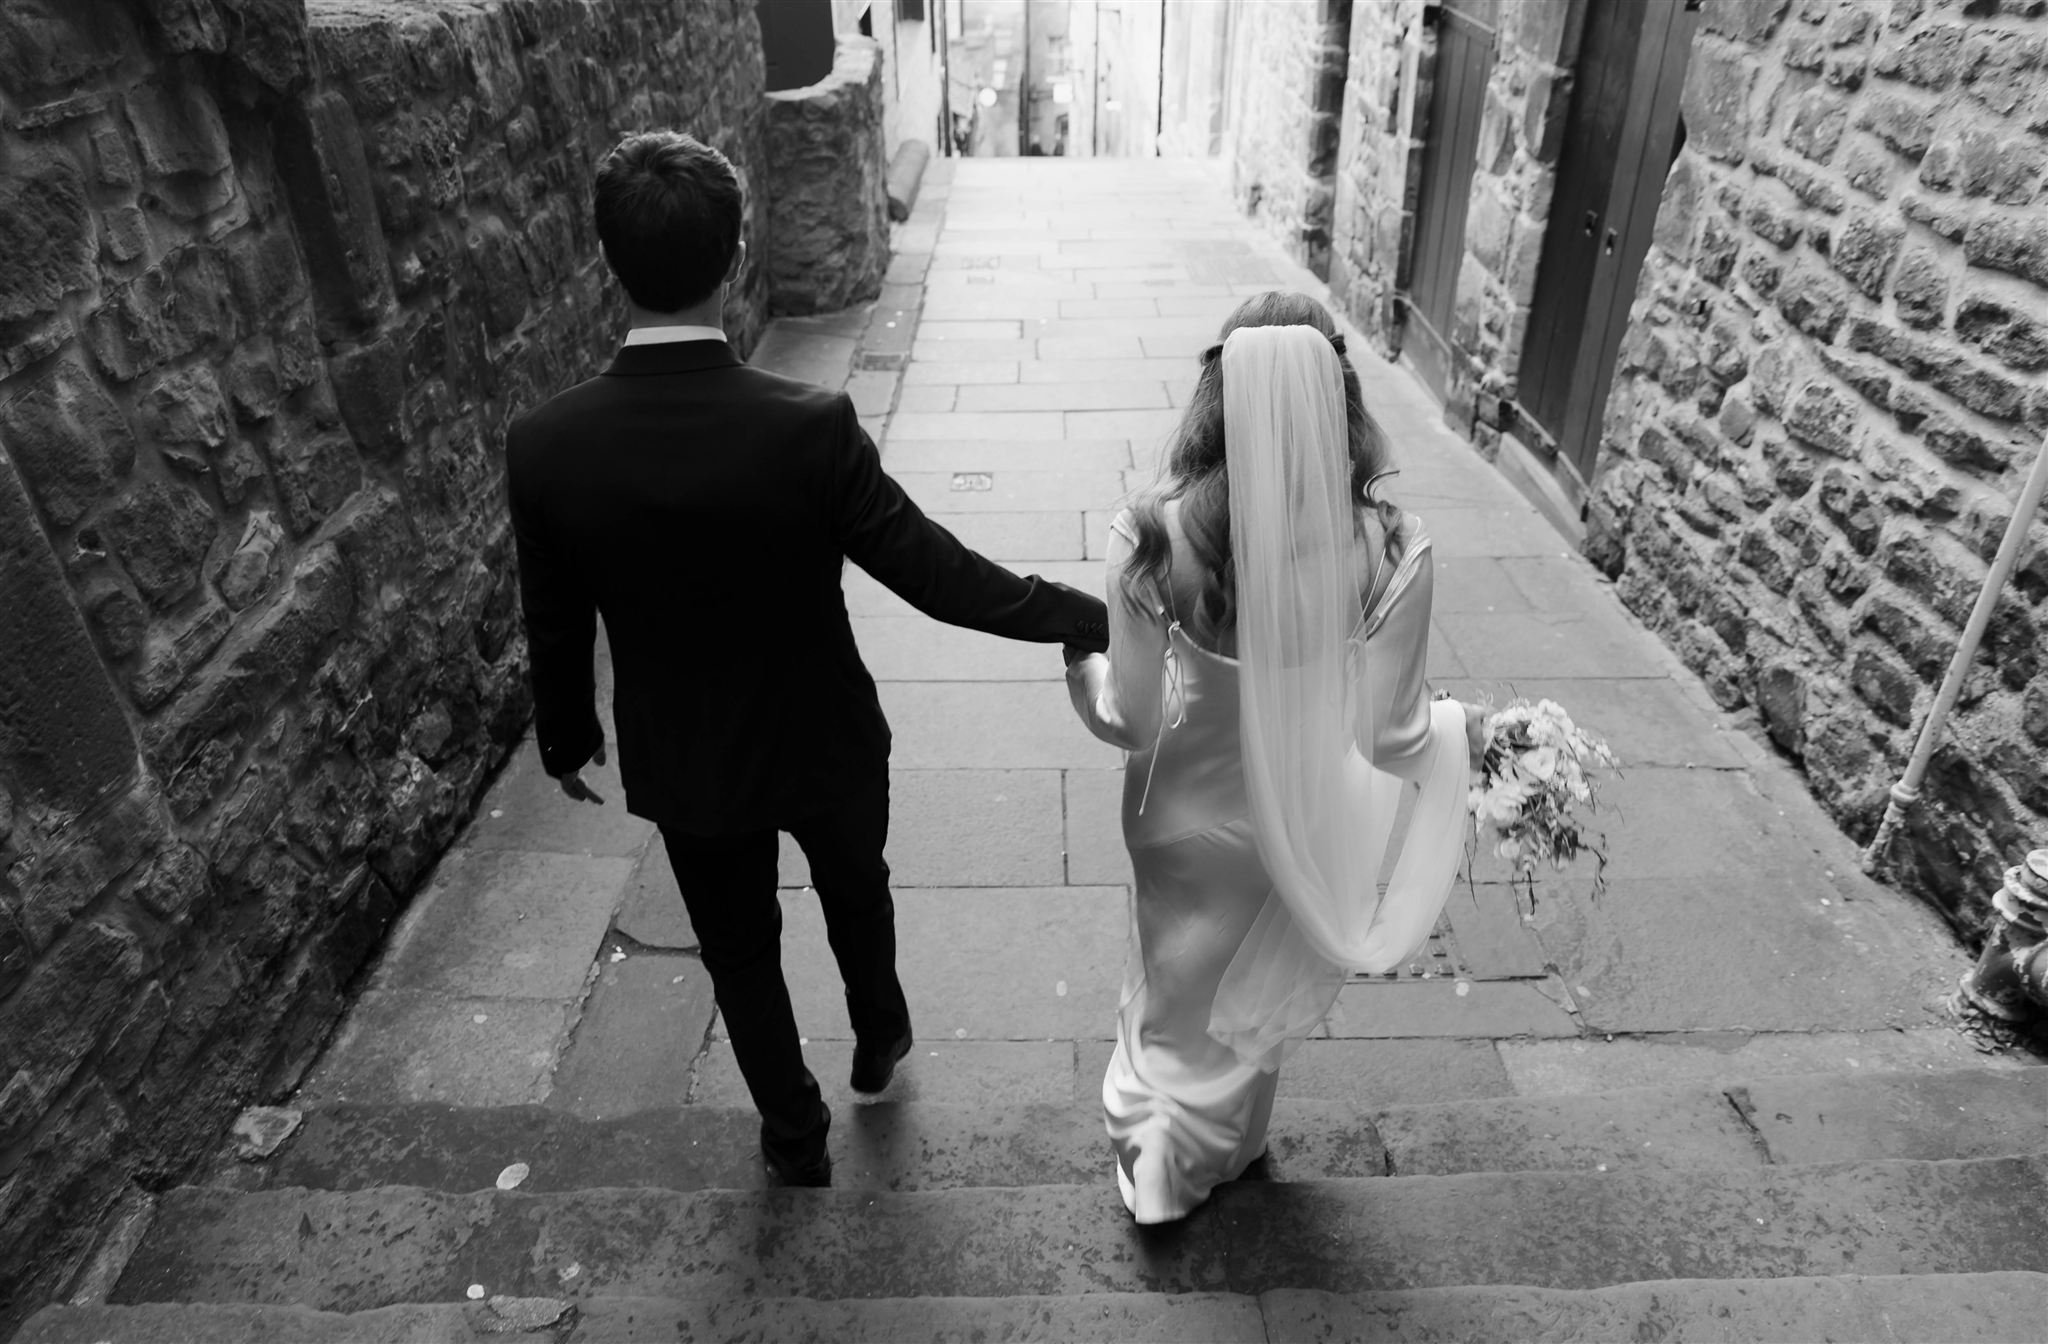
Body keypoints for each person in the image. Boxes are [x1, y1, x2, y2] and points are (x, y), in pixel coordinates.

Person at [507, 131, 1109, 1188]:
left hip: (687, 753)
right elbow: (935, 572)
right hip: (822, 731)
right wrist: (1082, 616)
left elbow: (553, 617)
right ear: (736, 255)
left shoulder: (548, 444)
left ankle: (793, 1132)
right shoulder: (809, 426)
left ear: (608, 263)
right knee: (855, 889)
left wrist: (567, 736)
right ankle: (879, 1034)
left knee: (737, 949)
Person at [1064, 294, 1484, 1224]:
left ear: (1216, 394)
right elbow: (1391, 737)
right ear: (1340, 396)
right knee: (1246, 992)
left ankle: (1159, 1143)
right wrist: (1472, 733)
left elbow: (1129, 719)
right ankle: (1223, 1145)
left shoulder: (1149, 530)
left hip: (1174, 819)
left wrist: (1081, 672)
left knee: (1171, 991)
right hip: (1290, 819)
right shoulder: (1390, 544)